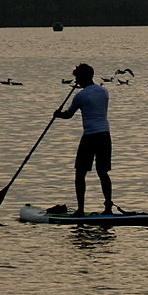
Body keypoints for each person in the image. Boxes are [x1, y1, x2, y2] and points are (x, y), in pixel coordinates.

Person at [54, 63, 114, 216]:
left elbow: (68, 115)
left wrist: (58, 114)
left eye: (77, 78)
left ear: (81, 78)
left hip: (90, 136)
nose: (77, 82)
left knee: (80, 173)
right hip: (105, 135)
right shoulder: (104, 91)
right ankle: (108, 207)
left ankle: (80, 209)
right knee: (103, 172)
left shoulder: (80, 96)